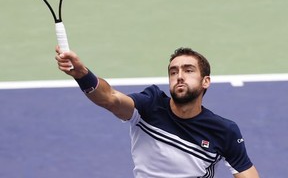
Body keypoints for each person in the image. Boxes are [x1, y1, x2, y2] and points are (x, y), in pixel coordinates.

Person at [55, 46, 260, 178]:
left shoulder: (224, 130)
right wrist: (82, 74)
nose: (179, 76)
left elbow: (247, 174)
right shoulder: (149, 106)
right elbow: (109, 98)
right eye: (173, 72)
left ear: (205, 81)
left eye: (188, 70)